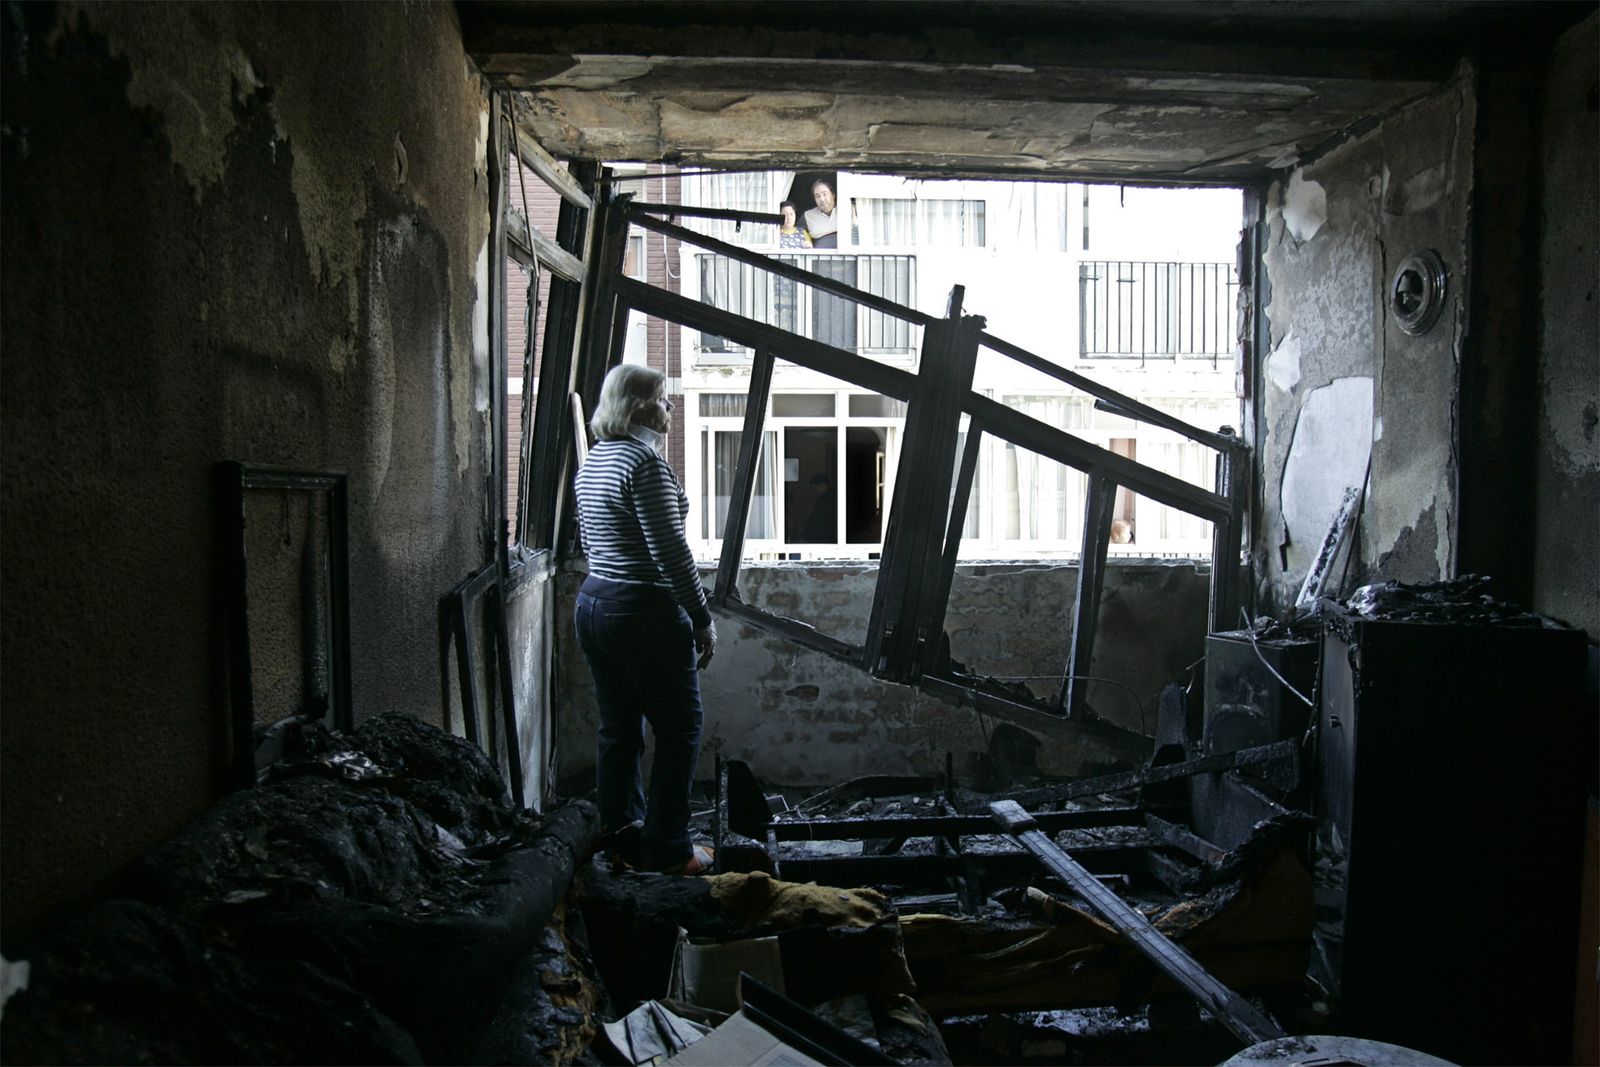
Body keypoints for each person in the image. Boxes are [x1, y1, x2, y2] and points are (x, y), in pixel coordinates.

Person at [573, 364, 716, 875]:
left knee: (619, 730)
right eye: (662, 399)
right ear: (638, 407)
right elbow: (671, 554)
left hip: (594, 605)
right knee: (680, 729)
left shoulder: (594, 460)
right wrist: (701, 617)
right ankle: (670, 850)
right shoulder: (645, 463)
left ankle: (621, 841)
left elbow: (593, 541)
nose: (670, 407)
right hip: (643, 614)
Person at [802, 179, 839, 248]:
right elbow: (797, 233)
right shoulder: (808, 216)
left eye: (824, 194)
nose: (822, 199)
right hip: (819, 254)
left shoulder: (847, 209)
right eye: (817, 196)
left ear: (833, 195)